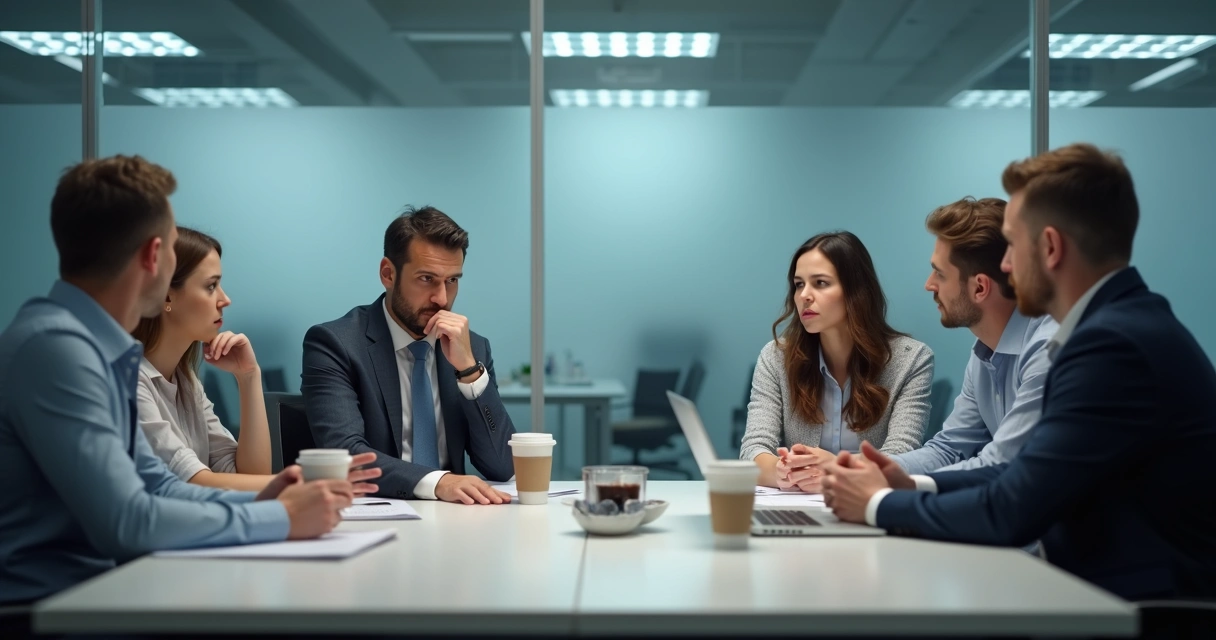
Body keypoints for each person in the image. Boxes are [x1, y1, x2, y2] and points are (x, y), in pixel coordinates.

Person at [822, 143, 1216, 600]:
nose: (1005, 265)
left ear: (1049, 248)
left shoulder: (1110, 346)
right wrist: (906, 483)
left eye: (1012, 246)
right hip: (1109, 592)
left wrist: (879, 504)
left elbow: (1012, 508)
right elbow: (1016, 475)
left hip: (1150, 611)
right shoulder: (1118, 326)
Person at [0, 155, 379, 608]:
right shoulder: (57, 350)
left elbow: (159, 486)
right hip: (51, 611)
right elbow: (127, 521)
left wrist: (269, 503)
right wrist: (279, 518)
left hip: (98, 594)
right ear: (154, 256)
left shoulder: (97, 349)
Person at [303, 206, 516, 505]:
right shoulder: (335, 343)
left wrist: (469, 371)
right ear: (388, 274)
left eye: (452, 280)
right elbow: (344, 454)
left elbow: (502, 465)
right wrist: (438, 481)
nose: (442, 298)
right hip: (374, 515)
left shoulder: (471, 348)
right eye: (427, 278)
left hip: (456, 521)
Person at [740, 231, 934, 492]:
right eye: (799, 284)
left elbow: (902, 455)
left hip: (872, 508)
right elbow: (753, 449)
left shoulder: (911, 360)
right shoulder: (776, 357)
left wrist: (835, 468)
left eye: (820, 283)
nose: (804, 296)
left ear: (856, 291)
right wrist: (782, 471)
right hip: (799, 508)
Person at [892, 197, 1056, 474]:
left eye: (939, 274)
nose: (928, 285)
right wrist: (861, 469)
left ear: (980, 288)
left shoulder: (1048, 349)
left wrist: (896, 485)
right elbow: (949, 449)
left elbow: (1003, 463)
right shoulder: (985, 351)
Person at [132, 227, 275, 491]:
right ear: (165, 295)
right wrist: (300, 482)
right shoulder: (129, 380)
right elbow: (194, 484)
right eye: (211, 286)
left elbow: (250, 474)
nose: (225, 300)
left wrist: (249, 377)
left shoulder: (187, 382)